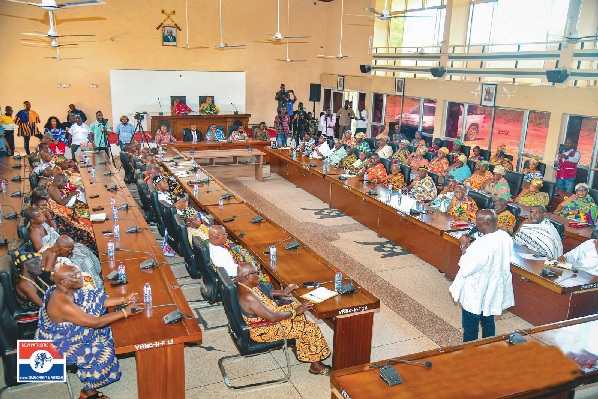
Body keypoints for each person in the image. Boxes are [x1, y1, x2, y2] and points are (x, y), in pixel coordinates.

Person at [35, 263, 140, 399]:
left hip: (72, 329)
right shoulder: (62, 304)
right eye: (75, 276)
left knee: (111, 325)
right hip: (61, 343)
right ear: (64, 282)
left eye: (79, 273)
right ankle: (88, 392)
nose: (80, 277)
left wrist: (124, 299)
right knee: (104, 354)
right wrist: (125, 312)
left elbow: (94, 299)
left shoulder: (65, 289)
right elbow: (95, 323)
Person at [236, 262, 331, 375]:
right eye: (256, 273)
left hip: (266, 316)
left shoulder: (243, 284)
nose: (259, 275)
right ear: (248, 276)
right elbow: (272, 317)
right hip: (264, 329)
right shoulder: (248, 297)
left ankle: (302, 346)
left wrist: (282, 292)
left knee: (296, 306)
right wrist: (295, 312)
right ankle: (316, 366)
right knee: (310, 328)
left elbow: (264, 294)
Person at [449, 210, 514, 343]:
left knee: (470, 325)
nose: (474, 223)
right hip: (492, 288)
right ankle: (488, 347)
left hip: (476, 290)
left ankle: (469, 351)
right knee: (488, 320)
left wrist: (464, 245)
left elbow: (466, 267)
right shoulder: (505, 237)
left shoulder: (482, 244)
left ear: (485, 223)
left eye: (477, 221)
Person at [25, 207, 102, 287]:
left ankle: (98, 275)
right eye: (40, 216)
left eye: (42, 214)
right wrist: (61, 254)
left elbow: (54, 230)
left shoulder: (42, 224)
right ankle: (97, 284)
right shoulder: (34, 233)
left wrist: (49, 218)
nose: (43, 216)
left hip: (60, 246)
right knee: (83, 260)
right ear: (32, 220)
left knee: (84, 248)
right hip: (59, 253)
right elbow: (41, 251)